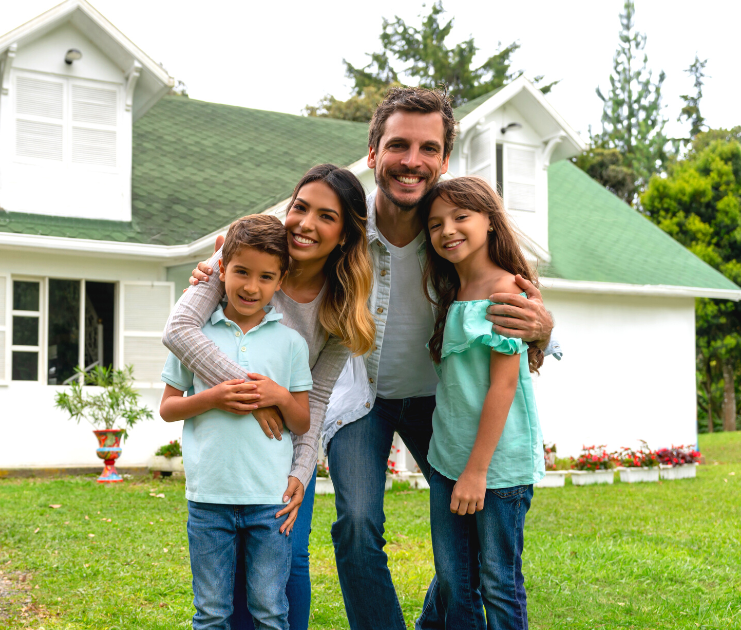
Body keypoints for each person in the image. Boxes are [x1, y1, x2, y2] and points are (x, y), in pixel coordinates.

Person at [189, 87, 557, 630]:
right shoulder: (340, 227)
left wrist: (544, 329)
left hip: (441, 404)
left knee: (468, 528)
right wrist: (215, 268)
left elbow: (512, 298)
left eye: (428, 148)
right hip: (357, 404)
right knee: (357, 522)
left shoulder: (453, 233)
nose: (412, 161)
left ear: (444, 159)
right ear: (372, 150)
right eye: (398, 145)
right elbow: (260, 243)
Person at [165, 165, 376, 630]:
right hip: (226, 455)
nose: (305, 223)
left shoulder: (340, 305)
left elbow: (316, 399)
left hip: (282, 454)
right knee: (226, 582)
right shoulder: (241, 259)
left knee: (291, 558)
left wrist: (302, 471)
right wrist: (255, 395)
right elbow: (179, 331)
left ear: (345, 234)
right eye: (300, 207)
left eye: (326, 216)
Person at [160, 213, 316, 630]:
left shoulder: (291, 343)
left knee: (270, 610)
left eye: (266, 277)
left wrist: (281, 396)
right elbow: (169, 407)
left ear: (280, 281)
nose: (251, 286)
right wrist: (212, 397)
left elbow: (301, 422)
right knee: (211, 612)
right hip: (209, 498)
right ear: (220, 270)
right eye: (241, 272)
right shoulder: (196, 336)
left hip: (270, 501)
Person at [417, 176, 545, 628]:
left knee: (498, 584)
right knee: (453, 581)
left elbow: (503, 387)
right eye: (435, 224)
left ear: (490, 221)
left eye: (461, 217)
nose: (447, 230)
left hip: (495, 469)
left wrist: (476, 472)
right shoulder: (451, 291)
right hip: (447, 459)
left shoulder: (506, 291)